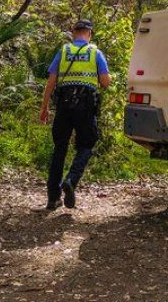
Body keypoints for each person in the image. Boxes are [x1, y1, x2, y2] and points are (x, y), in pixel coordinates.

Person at [39, 19, 111, 210]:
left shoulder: (63, 51)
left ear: (73, 33)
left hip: (63, 105)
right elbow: (105, 82)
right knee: (87, 144)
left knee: (59, 149)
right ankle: (71, 179)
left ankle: (53, 199)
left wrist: (44, 107)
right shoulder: (95, 53)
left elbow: (51, 82)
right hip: (85, 106)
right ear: (90, 34)